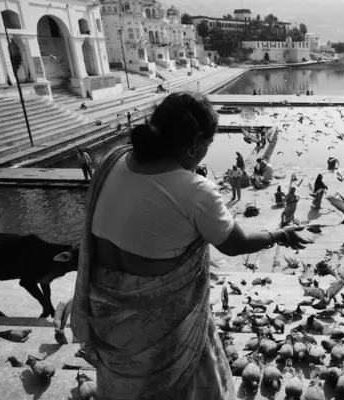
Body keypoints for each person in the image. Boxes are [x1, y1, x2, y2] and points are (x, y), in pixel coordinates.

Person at [70, 92, 312, 400]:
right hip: (163, 328)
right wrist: (282, 234)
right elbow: (236, 244)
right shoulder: (195, 191)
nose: (207, 153)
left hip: (108, 319)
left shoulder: (110, 161)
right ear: (195, 142)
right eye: (208, 144)